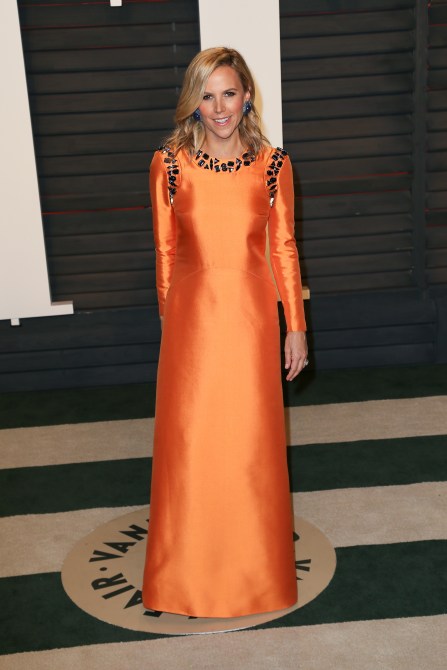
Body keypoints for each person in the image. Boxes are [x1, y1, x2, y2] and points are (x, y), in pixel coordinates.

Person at [142, 46, 308, 619]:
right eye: (207, 95)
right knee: (190, 448)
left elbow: (283, 249)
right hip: (191, 328)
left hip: (251, 322)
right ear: (194, 102)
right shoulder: (169, 164)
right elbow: (165, 253)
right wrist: (171, 325)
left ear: (247, 96)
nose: (219, 108)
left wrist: (296, 327)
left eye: (229, 93)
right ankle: (181, 580)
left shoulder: (273, 166)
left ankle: (256, 577)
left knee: (249, 446)